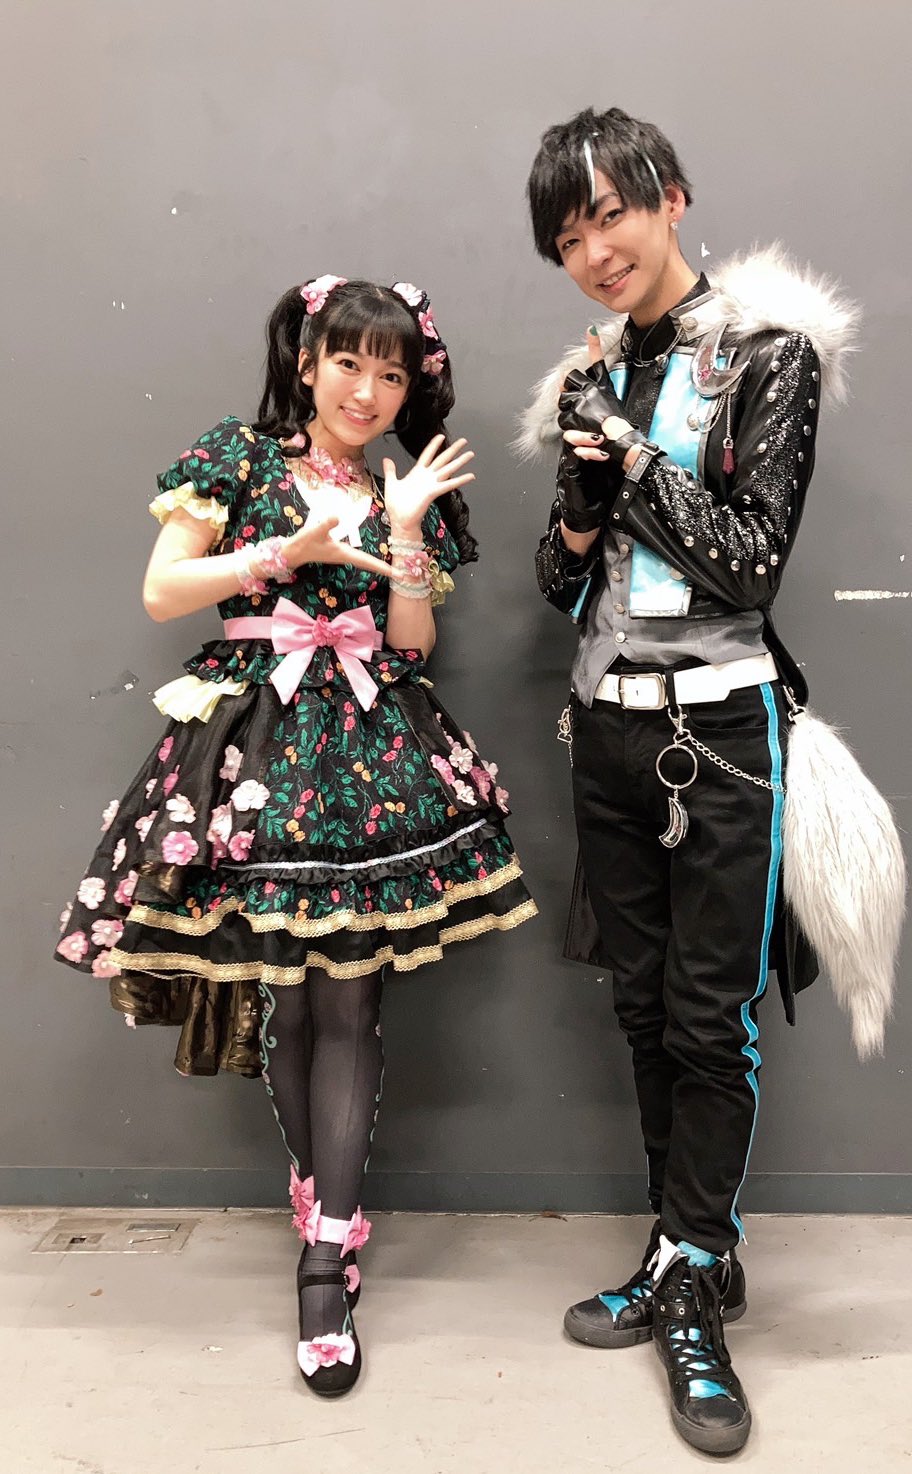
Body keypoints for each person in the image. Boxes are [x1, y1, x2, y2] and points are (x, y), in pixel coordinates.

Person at [54, 274, 537, 1397]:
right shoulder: (236, 458)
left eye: (390, 373)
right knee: (287, 992)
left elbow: (409, 645)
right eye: (348, 363)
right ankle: (319, 1200)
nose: (367, 391)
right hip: (256, 745)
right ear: (308, 362)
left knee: (352, 1000)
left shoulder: (401, 483)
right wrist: (283, 554)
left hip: (368, 747)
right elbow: (164, 591)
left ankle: (326, 1259)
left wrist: (403, 532)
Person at [522, 107, 857, 1455]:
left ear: (671, 197)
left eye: (610, 213)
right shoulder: (591, 373)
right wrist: (578, 500)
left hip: (719, 729)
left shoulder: (767, 354)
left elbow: (749, 562)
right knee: (644, 1009)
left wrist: (630, 452)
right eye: (567, 236)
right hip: (605, 729)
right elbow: (559, 583)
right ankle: (685, 1255)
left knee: (709, 1020)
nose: (594, 250)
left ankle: (696, 1273)